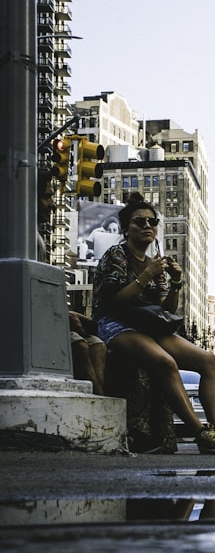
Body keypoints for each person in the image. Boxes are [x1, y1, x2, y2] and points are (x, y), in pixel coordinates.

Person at [92, 193, 215, 455]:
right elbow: (115, 302)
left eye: (152, 221)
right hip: (116, 324)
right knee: (165, 362)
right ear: (126, 228)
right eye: (140, 221)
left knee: (209, 361)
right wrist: (146, 275)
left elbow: (166, 308)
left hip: (149, 325)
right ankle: (200, 433)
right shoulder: (116, 256)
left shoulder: (155, 263)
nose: (147, 226)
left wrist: (176, 282)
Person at [36, 165, 108, 395]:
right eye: (47, 196)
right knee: (78, 344)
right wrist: (65, 317)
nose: (53, 204)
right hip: (30, 322)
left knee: (97, 345)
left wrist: (72, 316)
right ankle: (97, 406)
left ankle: (99, 401)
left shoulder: (37, 237)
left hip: (46, 316)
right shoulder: (22, 236)